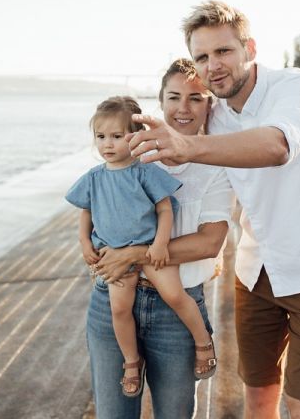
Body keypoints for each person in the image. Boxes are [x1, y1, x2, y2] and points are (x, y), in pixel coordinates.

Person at [127, 0, 300, 419]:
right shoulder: (216, 112)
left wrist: (188, 146)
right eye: (202, 56)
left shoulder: (298, 89)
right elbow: (182, 115)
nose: (213, 65)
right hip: (255, 273)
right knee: (258, 402)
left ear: (249, 47)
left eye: (223, 51)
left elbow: (276, 145)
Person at [88, 62, 233, 418]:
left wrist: (133, 254)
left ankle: (204, 342)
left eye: (195, 98)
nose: (183, 108)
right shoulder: (129, 149)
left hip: (176, 309)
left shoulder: (218, 164)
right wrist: (92, 247)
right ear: (161, 101)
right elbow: (99, 202)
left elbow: (209, 243)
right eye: (174, 97)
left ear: (209, 104)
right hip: (114, 299)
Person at [65, 95, 219, 399]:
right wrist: (84, 242)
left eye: (117, 137)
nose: (108, 144)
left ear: (134, 137)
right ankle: (132, 363)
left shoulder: (145, 171)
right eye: (101, 137)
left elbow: (165, 210)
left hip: (150, 250)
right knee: (119, 309)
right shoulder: (94, 178)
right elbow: (87, 213)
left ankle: (203, 341)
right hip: (113, 256)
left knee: (175, 295)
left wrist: (161, 243)